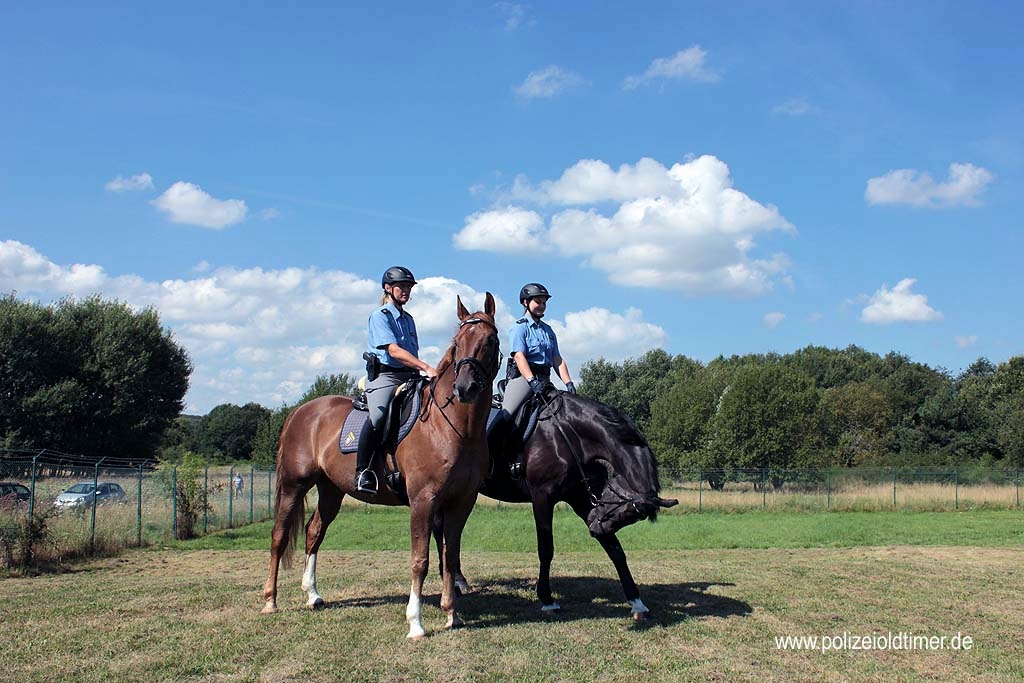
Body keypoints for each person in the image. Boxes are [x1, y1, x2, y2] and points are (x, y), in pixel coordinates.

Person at [354, 266, 438, 494]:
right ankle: (363, 471)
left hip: (409, 376)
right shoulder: (380, 316)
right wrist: (426, 367)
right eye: (402, 286)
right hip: (386, 376)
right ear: (388, 288)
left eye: (409, 287)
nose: (406, 291)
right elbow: (394, 351)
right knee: (379, 416)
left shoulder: (409, 319)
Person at [492, 283, 575, 473]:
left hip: (545, 379)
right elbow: (519, 356)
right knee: (507, 415)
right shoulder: (519, 327)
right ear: (525, 302)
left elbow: (557, 359)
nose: (542, 305)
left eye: (544, 302)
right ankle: (493, 455)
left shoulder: (548, 330)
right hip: (523, 379)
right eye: (538, 301)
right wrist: (531, 381)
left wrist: (568, 383)